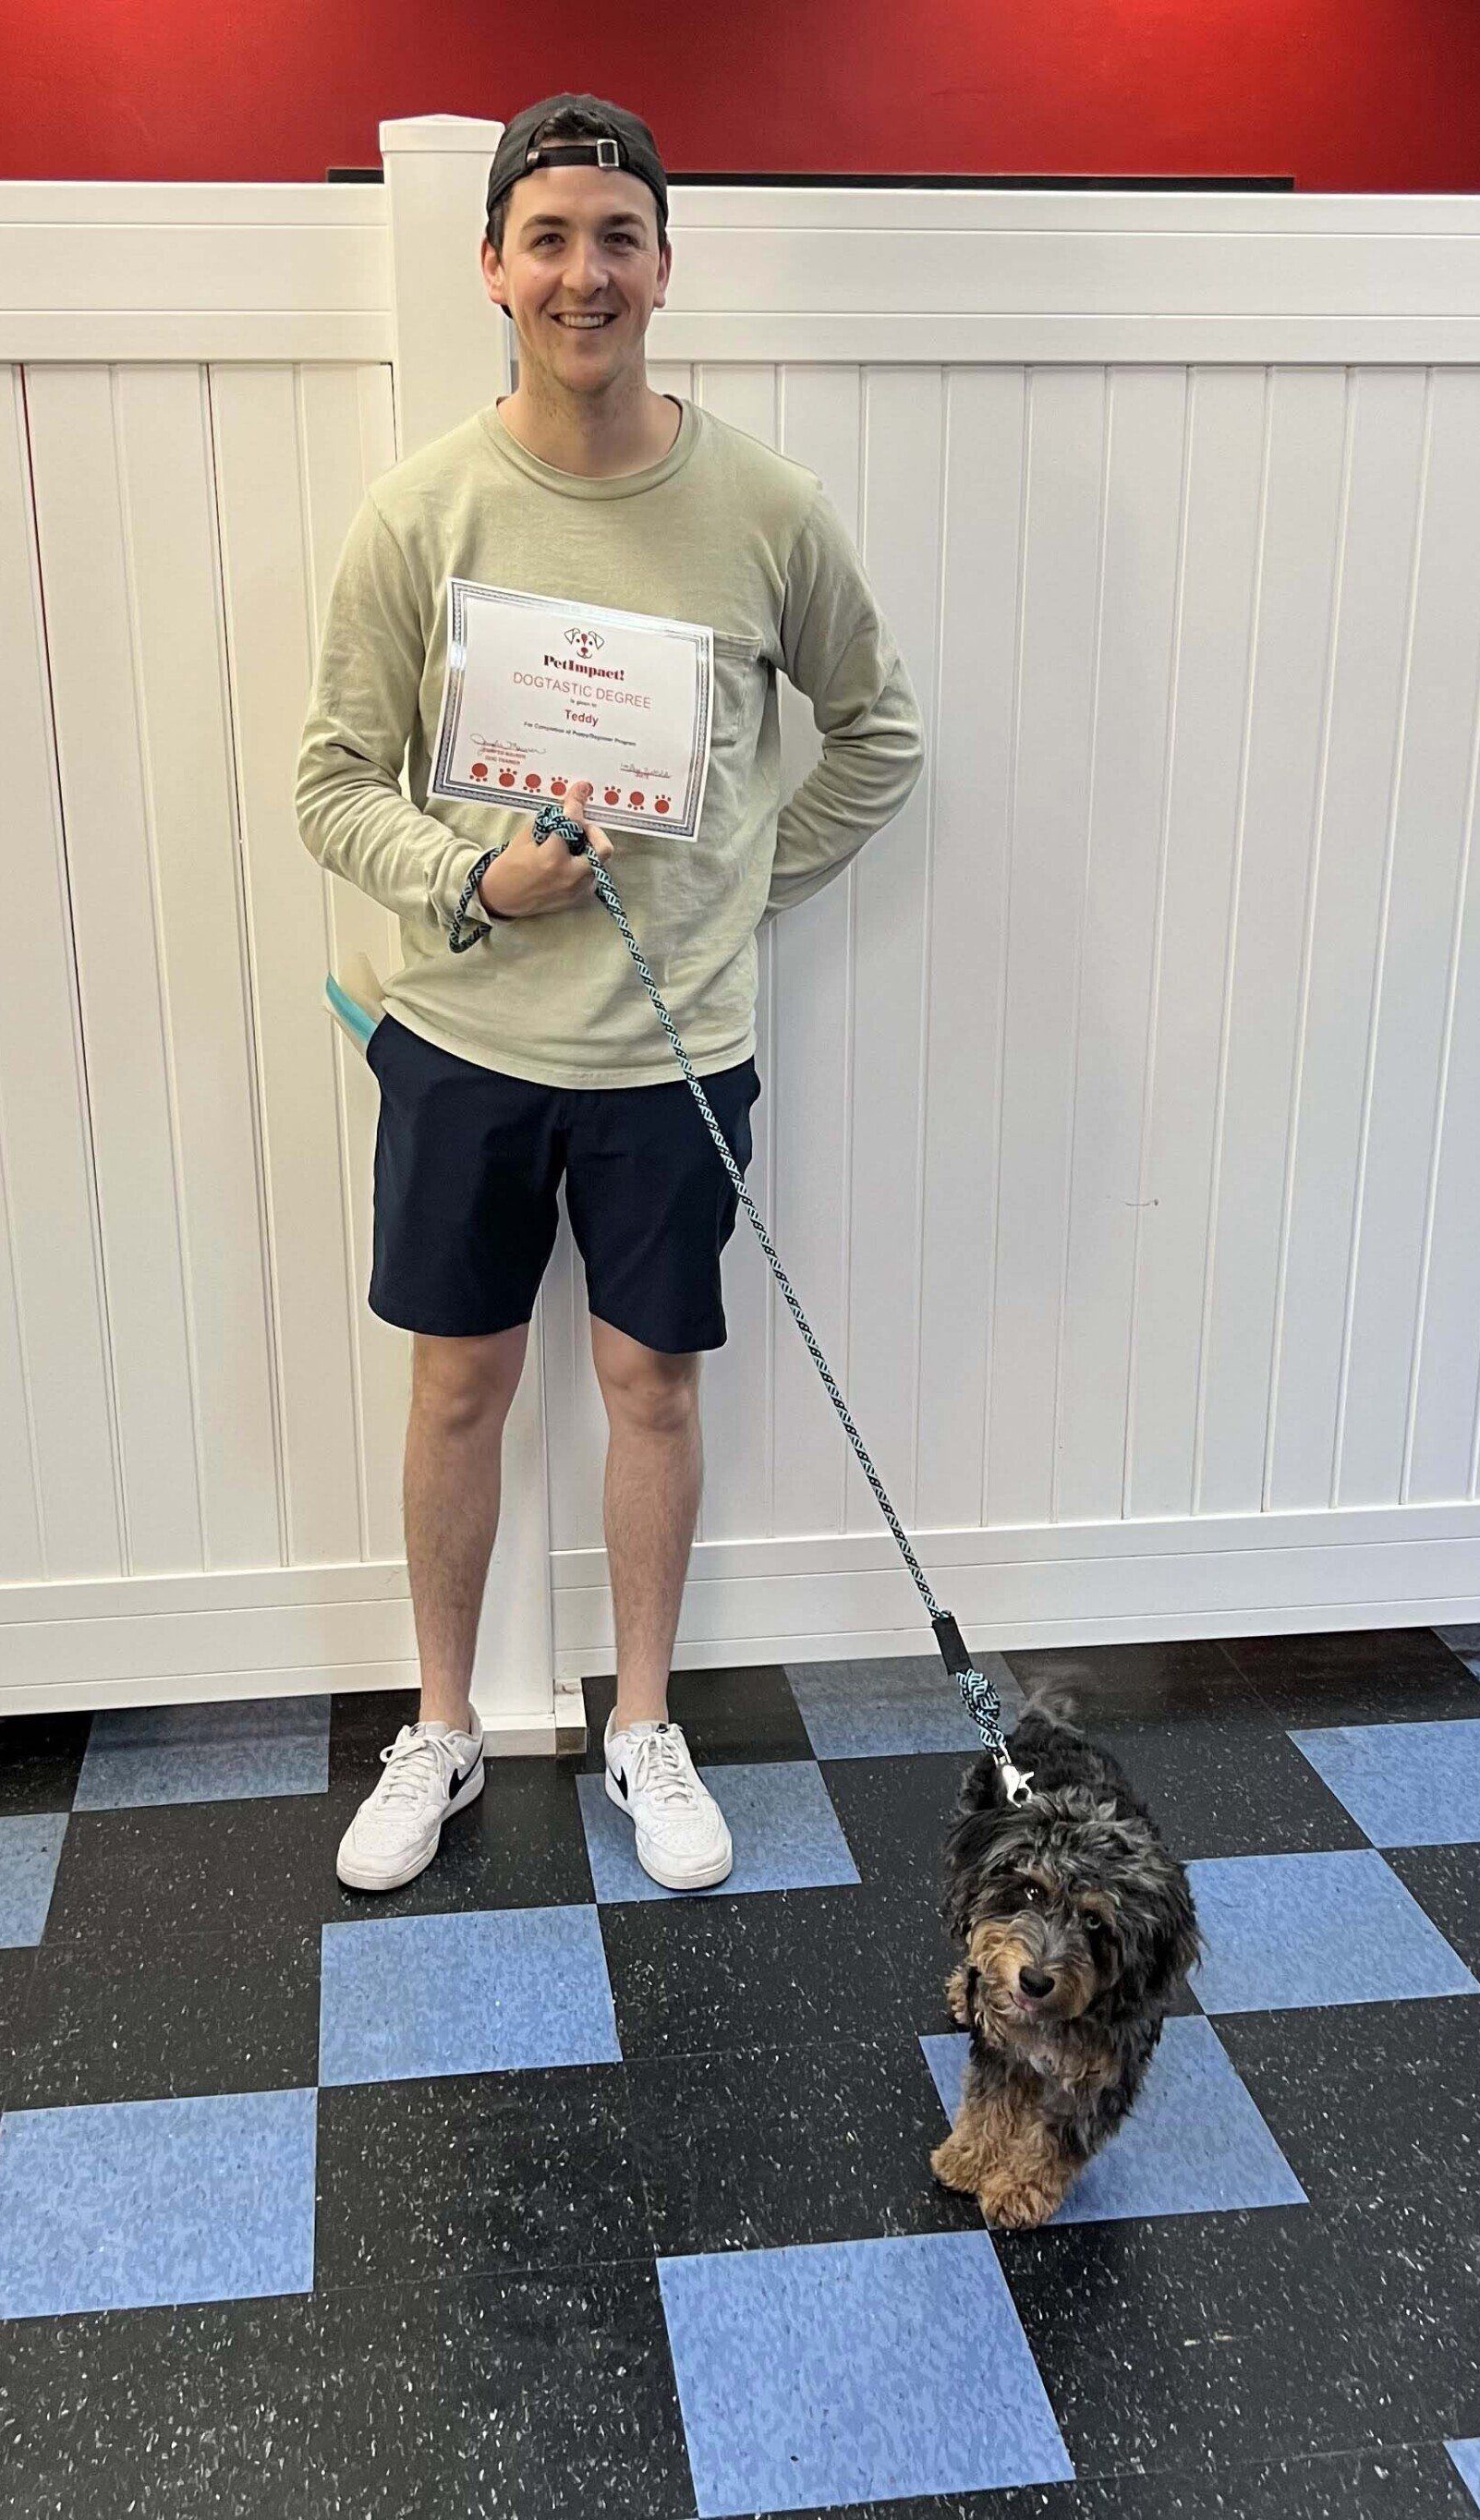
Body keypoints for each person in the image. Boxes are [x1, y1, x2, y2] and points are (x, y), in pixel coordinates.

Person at [296, 92, 925, 1895]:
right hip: (463, 1039)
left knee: (652, 1381)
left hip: (673, 1049)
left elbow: (877, 733)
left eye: (619, 236)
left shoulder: (762, 508)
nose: (586, 271)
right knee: (458, 1383)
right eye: (550, 235)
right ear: (492, 265)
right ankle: (443, 1721)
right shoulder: (418, 516)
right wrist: (470, 882)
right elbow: (333, 777)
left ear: (665, 266)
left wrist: (738, 892)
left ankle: (644, 1718)